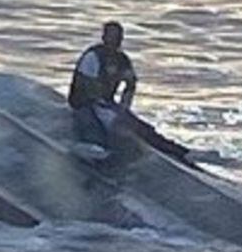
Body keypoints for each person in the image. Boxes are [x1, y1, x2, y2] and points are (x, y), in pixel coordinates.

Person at [68, 21, 195, 165]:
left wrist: (124, 107)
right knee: (93, 125)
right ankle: (94, 149)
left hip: (107, 104)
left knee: (140, 127)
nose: (114, 41)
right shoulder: (93, 56)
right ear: (104, 37)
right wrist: (107, 110)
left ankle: (177, 151)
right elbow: (85, 85)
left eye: (118, 38)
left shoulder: (122, 60)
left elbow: (130, 84)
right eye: (111, 37)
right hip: (84, 103)